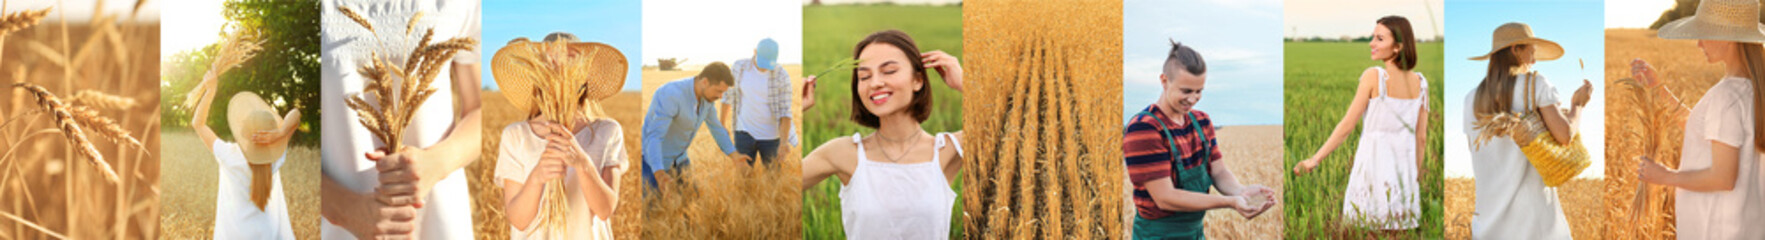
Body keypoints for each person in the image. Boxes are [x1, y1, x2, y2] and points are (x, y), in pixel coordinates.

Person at [317, 0, 484, 239]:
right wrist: (345, 210)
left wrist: (437, 163)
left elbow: (478, 110)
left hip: (436, 221)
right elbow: (284, 135)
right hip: (341, 228)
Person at [798, 29, 964, 239]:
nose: (875, 82)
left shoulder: (948, 150)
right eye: (864, 76)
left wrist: (965, 83)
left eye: (889, 71)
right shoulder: (843, 153)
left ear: (918, 80)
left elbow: (1014, 131)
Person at [1632, 0, 1765, 238]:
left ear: (1726, 37)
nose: (1698, 43)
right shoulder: (1750, 89)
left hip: (1717, 229)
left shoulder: (1727, 96)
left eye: (1703, 34)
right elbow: (1707, 131)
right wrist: (1659, 89)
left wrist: (1665, 176)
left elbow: (1723, 178)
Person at [1123, 40, 1275, 240]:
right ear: (1164, 80)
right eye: (1186, 91)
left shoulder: (1201, 121)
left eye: (1199, 91)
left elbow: (1218, 171)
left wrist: (1241, 191)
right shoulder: (1144, 128)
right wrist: (1230, 202)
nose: (1193, 99)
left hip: (1195, 232)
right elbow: (1165, 198)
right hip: (1158, 235)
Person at [1291, 16, 1428, 230]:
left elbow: (1347, 126)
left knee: (1365, 229)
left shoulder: (1375, 76)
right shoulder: (1421, 83)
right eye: (1373, 37)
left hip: (1372, 169)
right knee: (1399, 231)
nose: (1372, 43)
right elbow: (1421, 138)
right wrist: (1414, 178)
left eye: (1379, 39)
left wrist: (1315, 159)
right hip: (1404, 175)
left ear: (1398, 47)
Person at [491, 33, 629, 239]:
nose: (561, 66)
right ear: (537, 71)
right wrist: (537, 176)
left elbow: (605, 210)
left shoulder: (607, 131)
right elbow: (518, 220)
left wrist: (583, 164)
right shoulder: (516, 135)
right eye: (551, 60)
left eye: (571, 58)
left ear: (584, 73)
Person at [1461, 22, 1589, 239]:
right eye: (1532, 51)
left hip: (1487, 224)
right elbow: (1565, 136)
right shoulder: (1536, 84)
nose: (1535, 60)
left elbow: (1475, 151)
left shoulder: (1471, 98)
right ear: (1515, 49)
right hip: (1535, 222)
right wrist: (1578, 105)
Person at [191, 64, 301, 240]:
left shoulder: (229, 155)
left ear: (243, 131)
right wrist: (280, 133)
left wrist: (210, 90)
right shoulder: (275, 157)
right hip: (267, 233)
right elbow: (295, 114)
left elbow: (198, 124)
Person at [643, 62, 752, 191]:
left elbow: (716, 128)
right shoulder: (671, 95)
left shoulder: (707, 100)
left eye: (723, 92)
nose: (721, 97)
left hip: (680, 159)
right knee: (654, 207)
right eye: (718, 91)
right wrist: (659, 173)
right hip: (654, 163)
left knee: (691, 202)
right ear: (705, 82)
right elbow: (655, 136)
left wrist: (735, 156)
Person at [721, 38, 795, 166]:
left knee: (774, 179)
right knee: (743, 178)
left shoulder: (781, 75)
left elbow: (785, 111)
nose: (765, 68)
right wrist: (722, 124)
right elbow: (727, 97)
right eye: (762, 63)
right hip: (743, 133)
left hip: (771, 137)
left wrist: (783, 143)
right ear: (755, 52)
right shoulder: (739, 67)